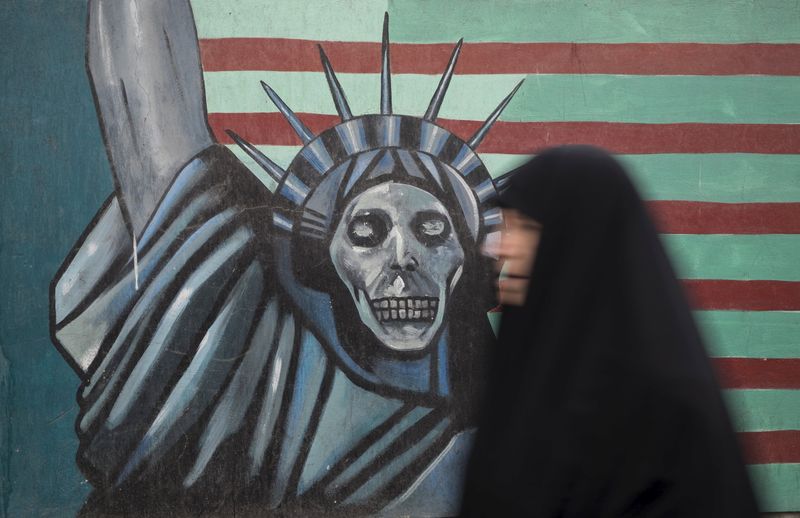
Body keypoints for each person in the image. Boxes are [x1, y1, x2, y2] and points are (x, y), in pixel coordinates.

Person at [460, 146, 759, 517]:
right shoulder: (533, 374)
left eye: (520, 225)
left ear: (570, 236)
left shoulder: (662, 409)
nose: (500, 245)